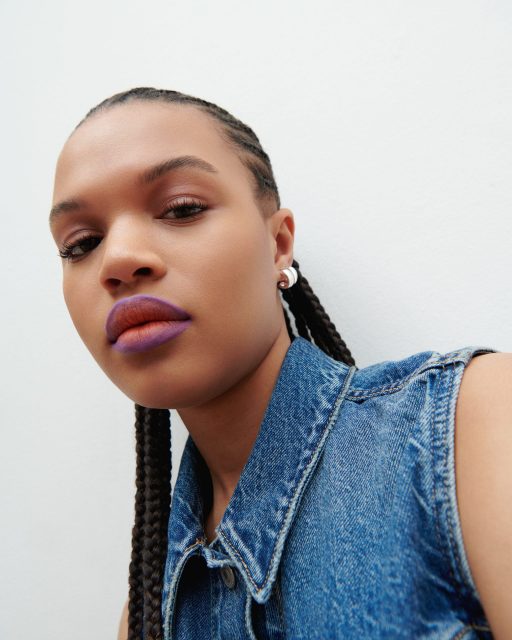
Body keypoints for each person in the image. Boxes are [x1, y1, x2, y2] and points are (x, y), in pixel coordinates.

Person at [49, 88, 512, 640]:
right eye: (81, 243)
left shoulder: (469, 426)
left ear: (278, 245)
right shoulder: (150, 610)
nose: (119, 259)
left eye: (182, 208)